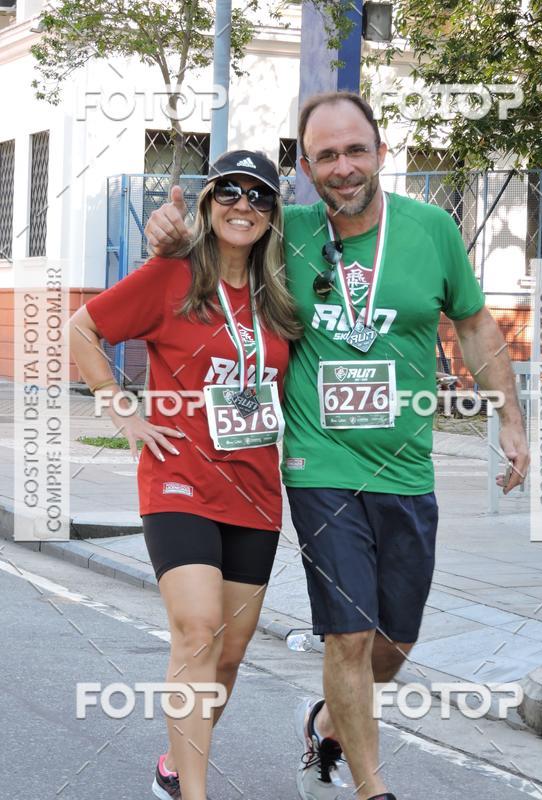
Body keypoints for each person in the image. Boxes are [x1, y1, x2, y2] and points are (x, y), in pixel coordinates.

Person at [145, 92, 530, 800]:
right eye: (326, 155)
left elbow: (474, 325)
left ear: (381, 153)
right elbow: (206, 236)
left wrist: (510, 418)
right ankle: (369, 787)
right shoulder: (281, 231)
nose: (343, 166)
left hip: (407, 470)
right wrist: (165, 226)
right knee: (347, 636)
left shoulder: (433, 230)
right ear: (307, 169)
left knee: (394, 644)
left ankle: (325, 720)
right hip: (318, 464)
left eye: (355, 150)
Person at [70, 150, 302, 800]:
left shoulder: (279, 294)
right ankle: (193, 794)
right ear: (207, 203)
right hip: (178, 480)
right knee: (197, 629)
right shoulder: (172, 275)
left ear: (272, 214)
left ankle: (175, 762)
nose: (242, 204)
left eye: (258, 195)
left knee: (227, 656)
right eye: (228, 190)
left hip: (255, 490)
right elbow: (82, 329)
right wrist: (124, 414)